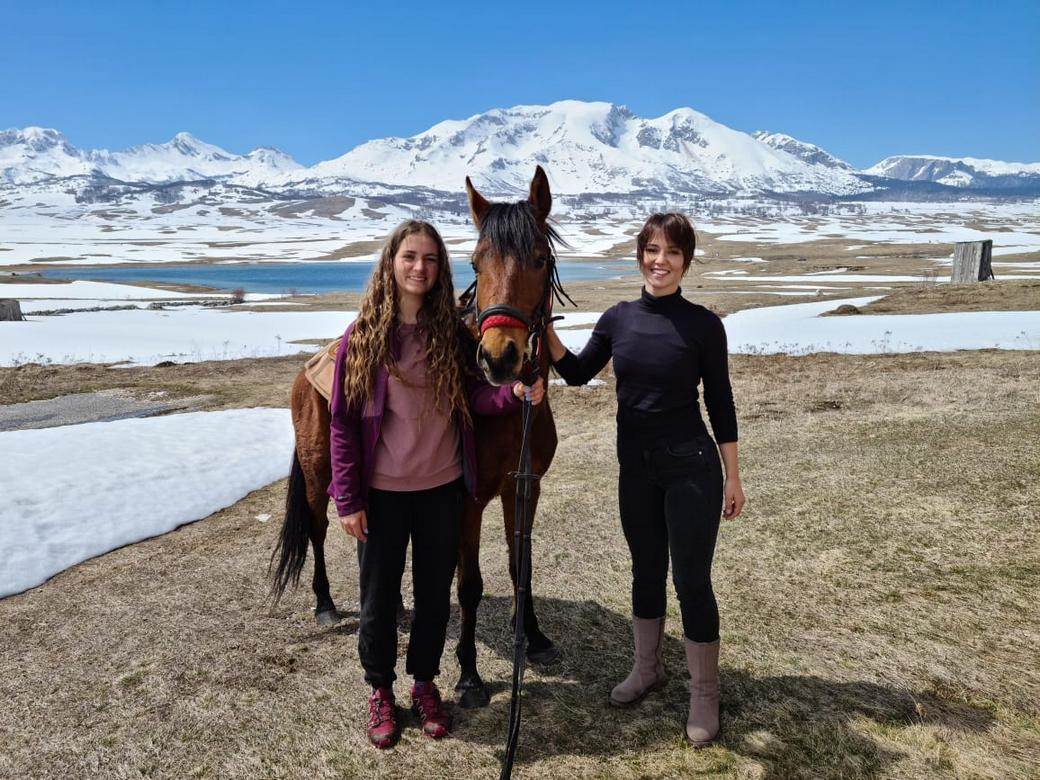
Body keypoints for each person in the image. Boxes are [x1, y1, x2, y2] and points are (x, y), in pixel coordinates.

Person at [328, 220, 544, 749]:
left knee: (431, 598)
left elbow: (472, 398)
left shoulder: (450, 333)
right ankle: (380, 689)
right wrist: (348, 498)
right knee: (378, 600)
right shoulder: (363, 338)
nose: (420, 268)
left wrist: (511, 396)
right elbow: (342, 421)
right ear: (392, 263)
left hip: (441, 489)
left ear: (440, 268)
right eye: (410, 257)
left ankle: (425, 683)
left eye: (430, 259)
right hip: (381, 494)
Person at [544, 212, 745, 746]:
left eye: (673, 253)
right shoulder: (617, 318)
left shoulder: (704, 325)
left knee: (691, 580)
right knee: (645, 569)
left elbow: (720, 404)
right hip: (635, 468)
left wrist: (733, 477)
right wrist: (541, 330)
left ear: (686, 261)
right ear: (640, 256)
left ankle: (704, 693)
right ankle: (647, 668)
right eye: (652, 250)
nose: (661, 261)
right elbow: (578, 372)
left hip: (691, 468)